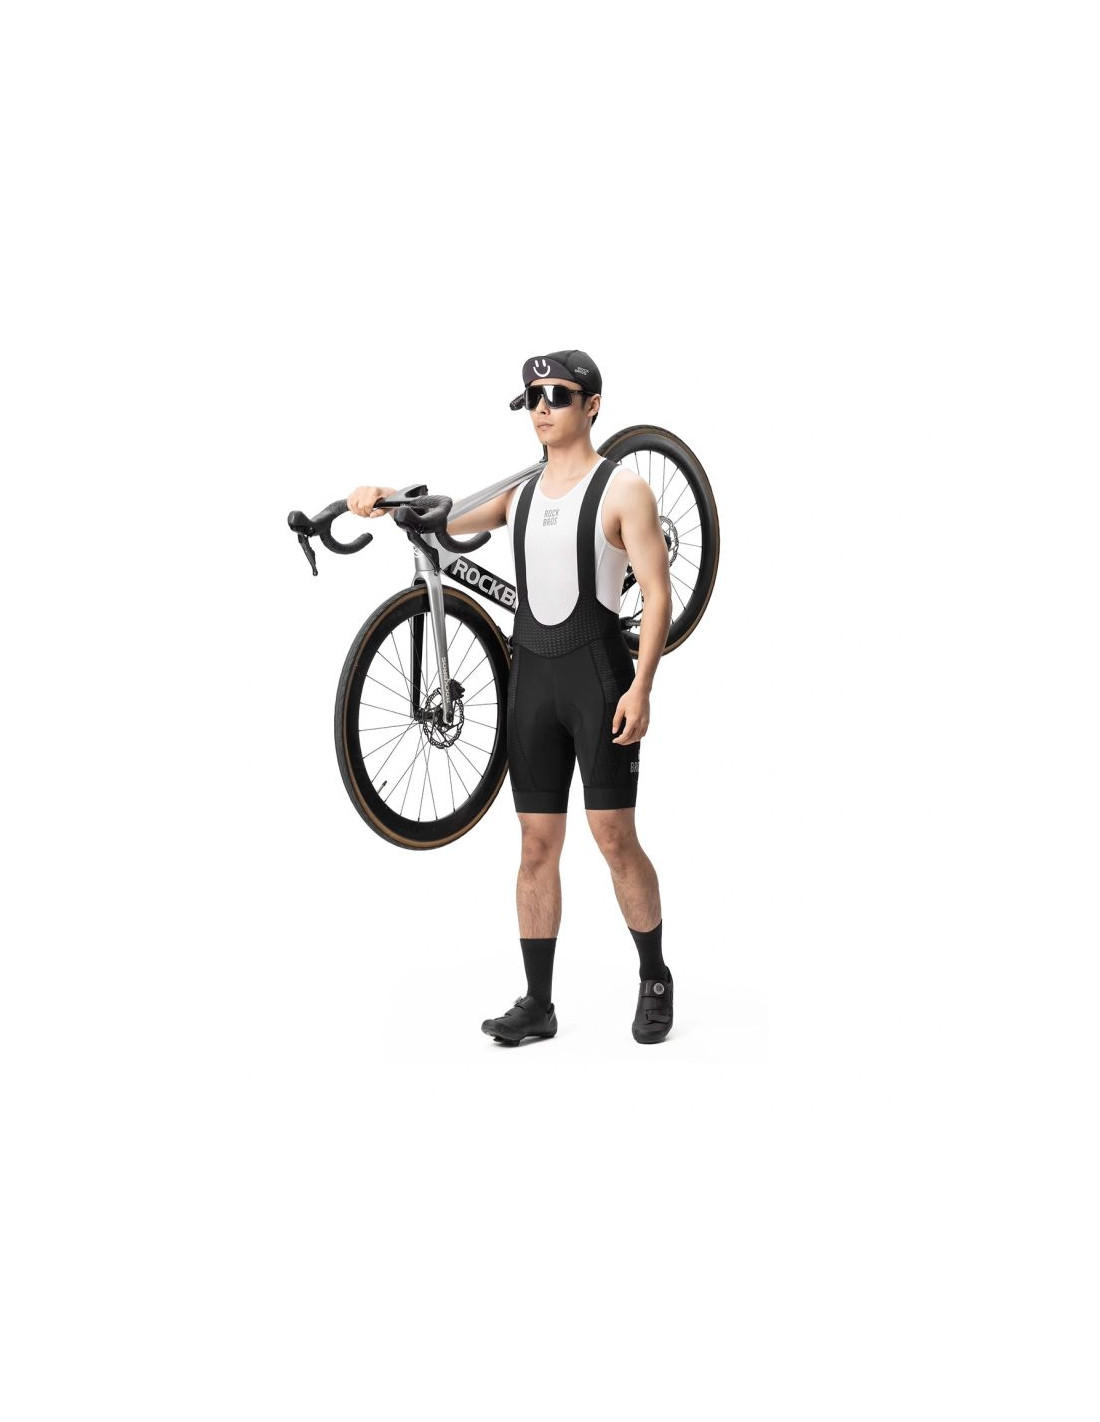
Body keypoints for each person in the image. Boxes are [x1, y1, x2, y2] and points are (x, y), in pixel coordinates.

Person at [346, 349, 675, 1045]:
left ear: (592, 405)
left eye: (559, 394)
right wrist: (384, 498)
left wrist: (643, 686)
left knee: (614, 839)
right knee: (534, 846)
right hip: (533, 686)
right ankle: (538, 1003)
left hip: (599, 681)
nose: (542, 407)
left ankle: (654, 976)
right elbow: (445, 520)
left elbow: (657, 593)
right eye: (532, 397)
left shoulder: (624, 491)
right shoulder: (519, 495)